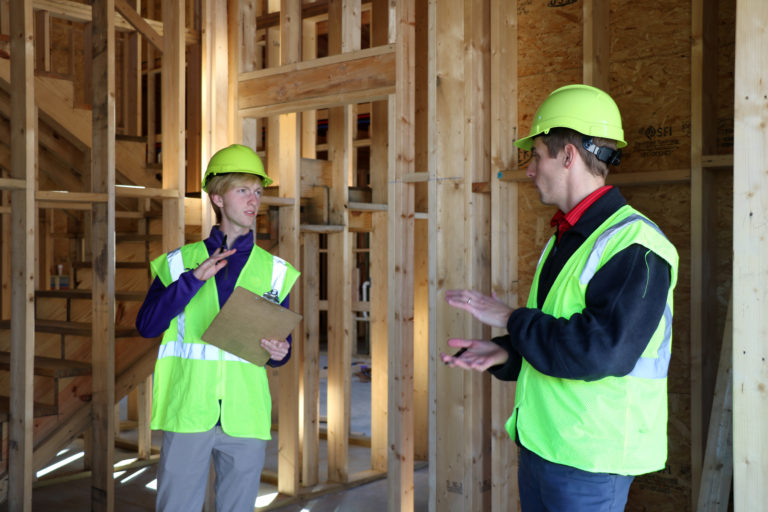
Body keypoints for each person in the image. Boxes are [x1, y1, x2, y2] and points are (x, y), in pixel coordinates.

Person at [441, 84, 678, 512]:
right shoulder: (566, 238)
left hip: (590, 459)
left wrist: (511, 318)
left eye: (535, 156)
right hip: (546, 446)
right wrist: (506, 353)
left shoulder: (635, 246)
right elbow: (563, 333)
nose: (530, 170)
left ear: (568, 156)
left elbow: (599, 351)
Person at [135, 144, 300, 512]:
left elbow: (278, 348)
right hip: (189, 408)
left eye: (258, 192)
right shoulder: (181, 263)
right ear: (218, 197)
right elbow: (147, 327)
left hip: (246, 415)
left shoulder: (276, 271)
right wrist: (192, 281)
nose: (253, 200)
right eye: (243, 190)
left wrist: (279, 354)